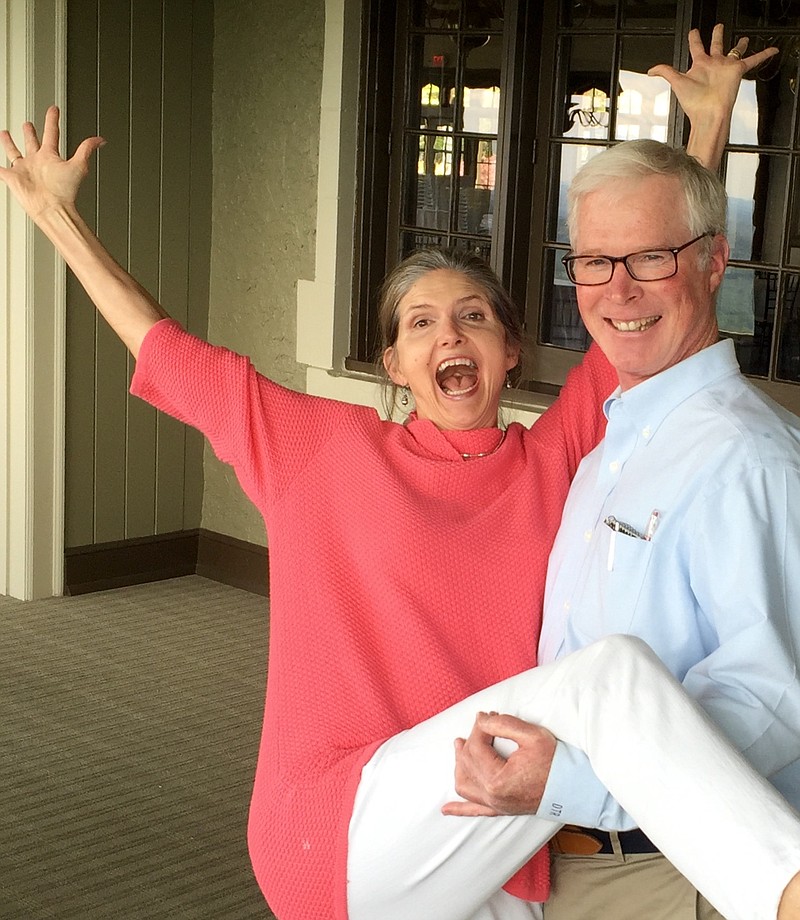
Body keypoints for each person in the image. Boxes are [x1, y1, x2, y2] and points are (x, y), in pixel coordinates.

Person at [2, 27, 796, 920]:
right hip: (340, 821)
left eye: (471, 317)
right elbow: (174, 356)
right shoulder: (323, 451)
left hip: (487, 832)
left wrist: (710, 123)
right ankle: (784, 885)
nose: (448, 335)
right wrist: (55, 219)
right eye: (419, 324)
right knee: (610, 680)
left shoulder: (559, 457)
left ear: (511, 352)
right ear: (392, 364)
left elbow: (649, 288)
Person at [444, 30, 800, 920]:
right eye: (595, 262)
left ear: (715, 261)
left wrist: (576, 784)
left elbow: (775, 698)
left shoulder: (748, 460)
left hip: (667, 876)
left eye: (650, 258)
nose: (618, 289)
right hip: (559, 852)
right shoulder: (613, 447)